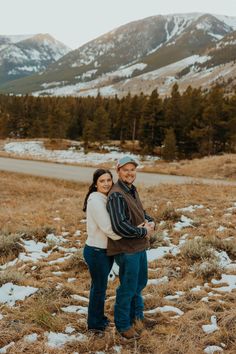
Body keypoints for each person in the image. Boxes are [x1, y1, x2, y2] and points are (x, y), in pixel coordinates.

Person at [107, 156, 156, 339]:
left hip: (138, 247)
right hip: (127, 249)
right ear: (118, 171)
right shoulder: (117, 194)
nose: (130, 173)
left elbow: (140, 213)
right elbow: (119, 225)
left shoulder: (131, 190)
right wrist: (143, 232)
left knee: (139, 283)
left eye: (132, 169)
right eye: (125, 169)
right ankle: (123, 325)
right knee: (128, 287)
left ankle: (137, 318)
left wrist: (150, 222)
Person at [82, 168, 121, 333]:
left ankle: (98, 319)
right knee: (99, 288)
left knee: (99, 287)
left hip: (104, 251)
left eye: (109, 180)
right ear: (95, 184)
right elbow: (107, 227)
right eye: (102, 181)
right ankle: (95, 325)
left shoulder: (105, 198)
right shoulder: (96, 200)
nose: (106, 184)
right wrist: (128, 238)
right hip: (96, 251)